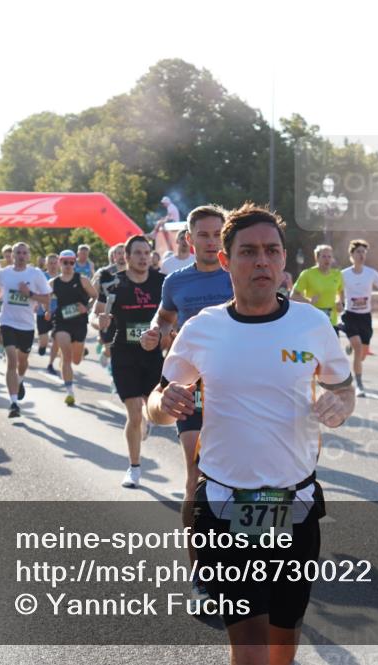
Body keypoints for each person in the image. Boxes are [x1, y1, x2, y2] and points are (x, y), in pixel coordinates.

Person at [146, 203, 354, 665]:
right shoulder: (203, 330)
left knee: (282, 650)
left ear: (283, 261)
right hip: (224, 506)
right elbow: (158, 404)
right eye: (249, 252)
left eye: (272, 251)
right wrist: (168, 403)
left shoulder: (312, 324)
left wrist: (339, 406)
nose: (262, 261)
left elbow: (343, 387)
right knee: (251, 651)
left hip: (293, 507)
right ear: (225, 261)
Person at [150, 204, 233, 607]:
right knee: (197, 473)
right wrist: (156, 330)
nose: (211, 240)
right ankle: (201, 572)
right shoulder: (176, 282)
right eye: (204, 234)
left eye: (218, 233)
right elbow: (165, 317)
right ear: (190, 239)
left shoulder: (239, 275)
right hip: (193, 388)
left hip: (239, 388)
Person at [95, 235, 164, 488]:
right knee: (134, 412)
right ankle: (134, 469)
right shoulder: (114, 286)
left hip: (153, 355)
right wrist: (99, 322)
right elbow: (96, 315)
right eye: (138, 253)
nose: (144, 257)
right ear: (127, 256)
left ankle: (146, 420)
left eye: (147, 252)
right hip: (124, 353)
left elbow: (173, 315)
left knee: (154, 411)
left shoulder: (162, 282)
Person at [0, 242, 52, 418]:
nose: (21, 256)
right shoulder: (4, 273)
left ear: (29, 255)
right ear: (12, 255)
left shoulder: (36, 274)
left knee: (22, 362)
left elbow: (47, 298)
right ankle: (13, 403)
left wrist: (29, 294)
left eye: (25, 253)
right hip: (7, 322)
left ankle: (20, 380)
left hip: (26, 325)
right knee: (11, 360)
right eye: (18, 253)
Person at [341, 239, 378, 397]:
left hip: (365, 317)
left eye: (363, 252)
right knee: (358, 347)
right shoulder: (344, 274)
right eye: (358, 252)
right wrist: (339, 301)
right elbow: (338, 291)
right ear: (351, 255)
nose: (361, 255)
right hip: (350, 315)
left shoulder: (371, 273)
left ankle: (351, 346)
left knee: (361, 354)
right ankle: (359, 384)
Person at [50, 250, 98, 406]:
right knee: (66, 356)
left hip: (79, 323)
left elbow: (95, 296)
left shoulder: (82, 280)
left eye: (72, 262)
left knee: (76, 360)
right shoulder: (53, 283)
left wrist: (87, 307)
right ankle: (69, 391)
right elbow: (44, 297)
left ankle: (78, 351)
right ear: (60, 263)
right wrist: (45, 310)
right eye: (65, 262)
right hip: (61, 322)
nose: (68, 265)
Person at [293, 244, 343, 335]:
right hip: (313, 323)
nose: (327, 259)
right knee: (313, 349)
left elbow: (341, 291)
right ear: (317, 258)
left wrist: (340, 302)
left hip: (332, 323)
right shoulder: (307, 274)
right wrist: (308, 301)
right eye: (324, 256)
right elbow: (293, 296)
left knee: (332, 349)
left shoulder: (337, 274)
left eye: (329, 256)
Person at [92, 243, 126, 372]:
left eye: (124, 252)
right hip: (108, 315)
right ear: (114, 256)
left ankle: (116, 375)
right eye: (119, 253)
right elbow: (95, 294)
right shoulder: (105, 274)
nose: (122, 255)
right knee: (110, 349)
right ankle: (106, 353)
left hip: (126, 316)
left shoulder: (136, 274)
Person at [36, 253, 59, 364]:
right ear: (46, 264)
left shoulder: (63, 277)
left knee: (57, 338)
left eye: (55, 263)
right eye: (50, 263)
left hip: (59, 312)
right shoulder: (42, 276)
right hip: (43, 312)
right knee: (44, 340)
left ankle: (51, 363)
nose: (53, 265)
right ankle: (42, 346)